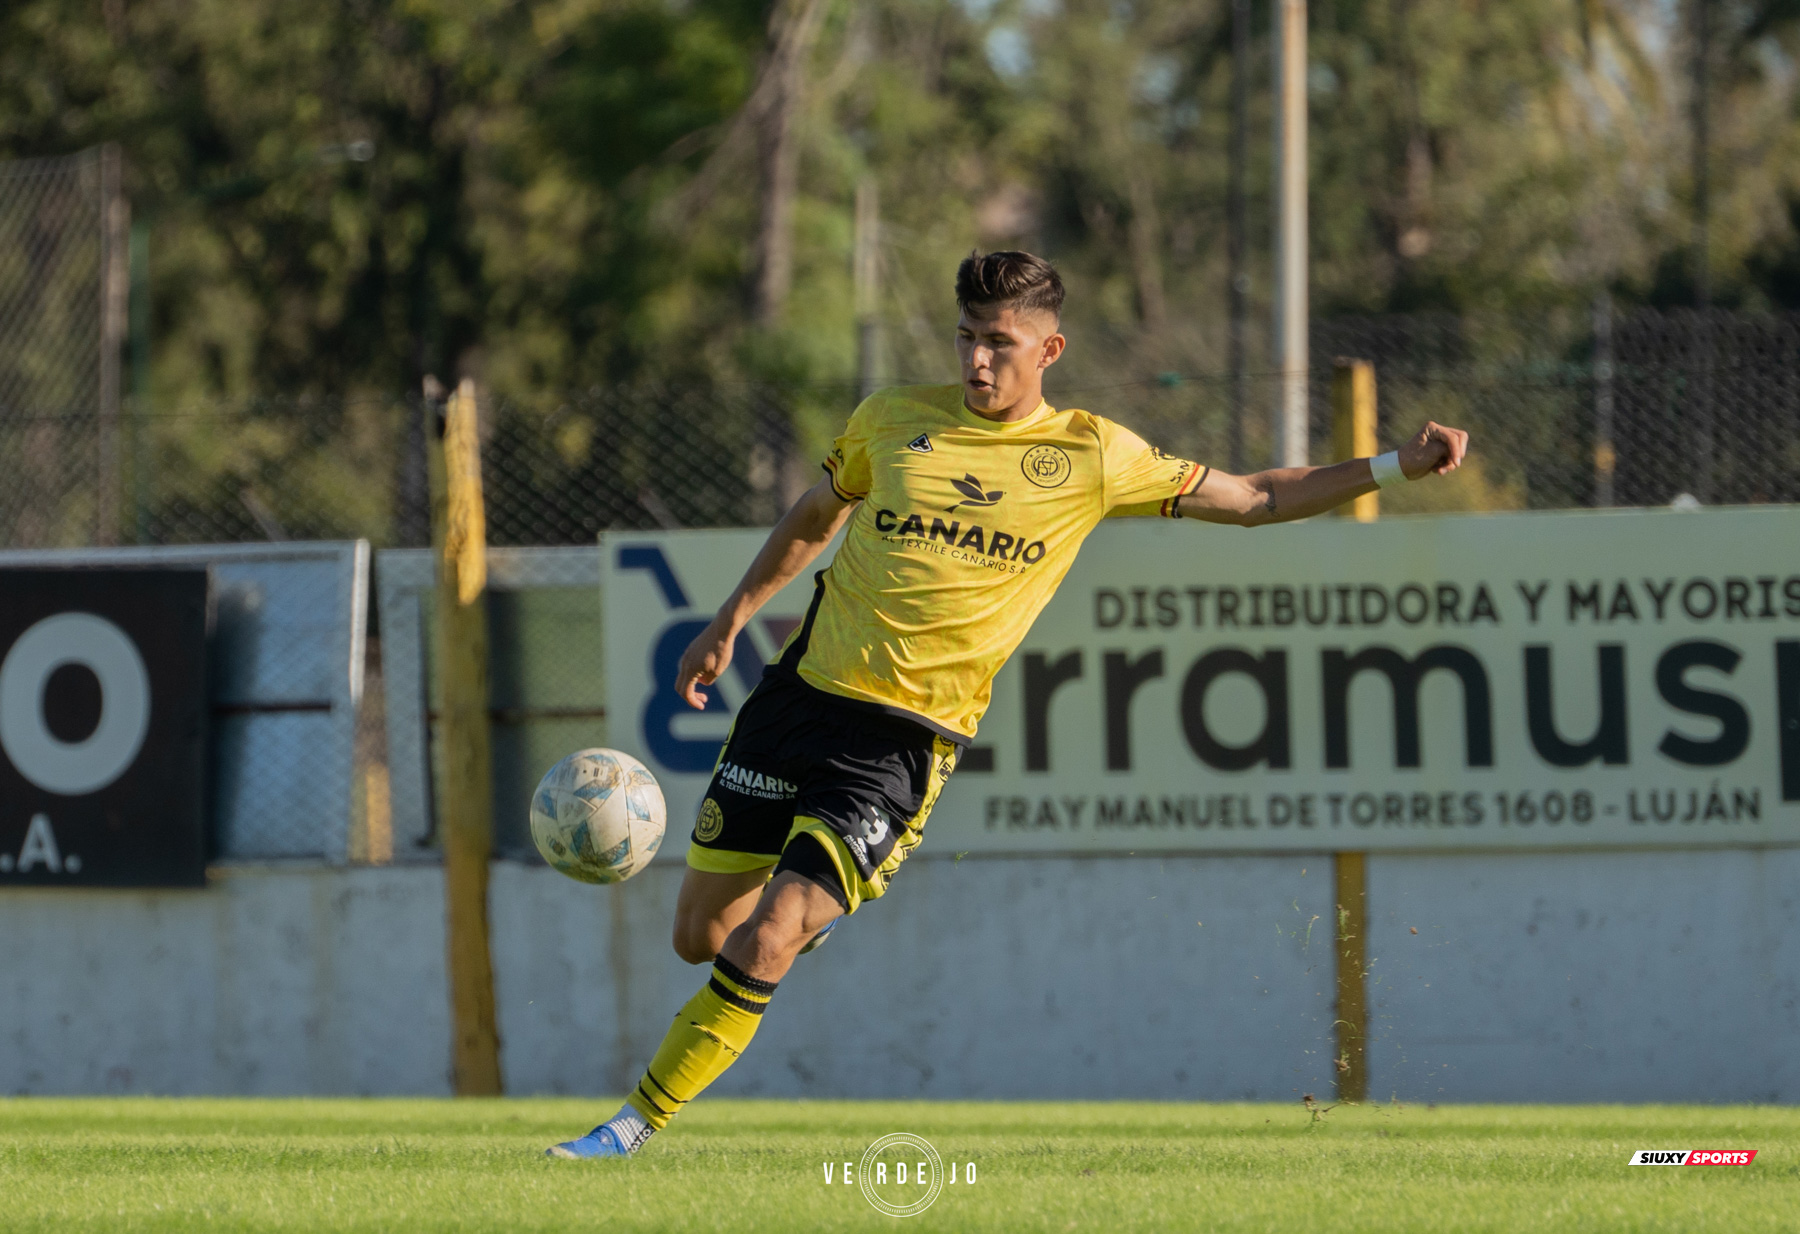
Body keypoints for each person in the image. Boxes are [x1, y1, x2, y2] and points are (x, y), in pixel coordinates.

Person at [548, 250, 1469, 1158]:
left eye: (998, 343)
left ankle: (628, 1128)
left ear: (1050, 349)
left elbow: (1261, 498)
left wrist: (1397, 464)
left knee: (772, 933)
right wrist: (730, 617)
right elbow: (813, 516)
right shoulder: (891, 421)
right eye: (964, 339)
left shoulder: (1093, 454)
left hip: (901, 745)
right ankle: (789, 932)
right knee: (701, 938)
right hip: (795, 702)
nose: (977, 361)